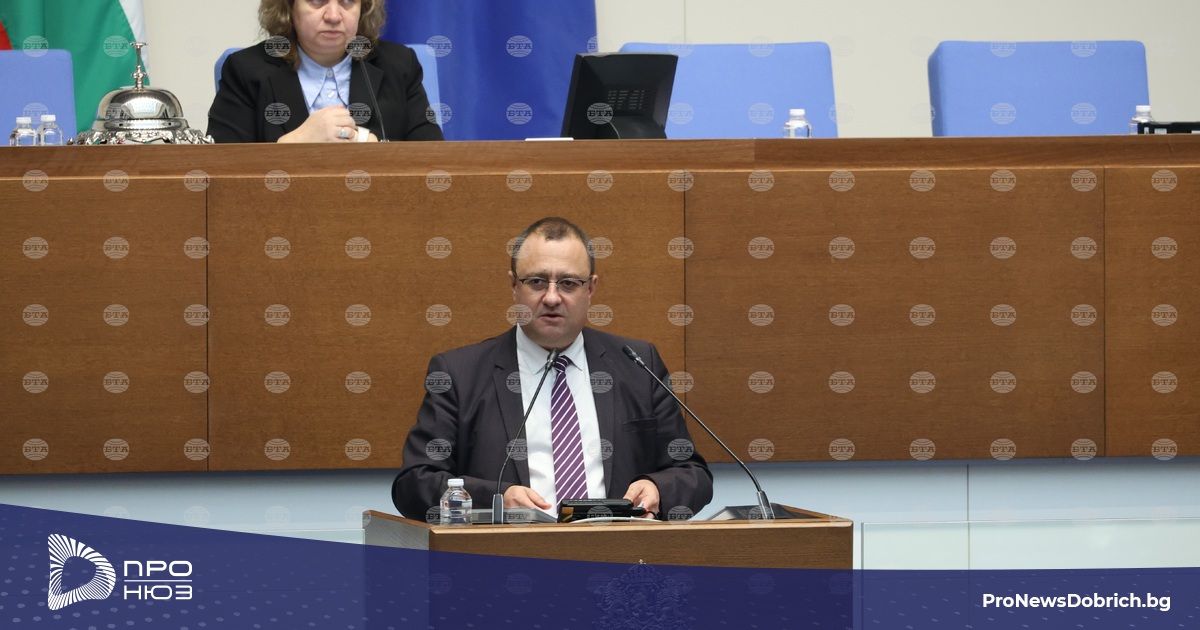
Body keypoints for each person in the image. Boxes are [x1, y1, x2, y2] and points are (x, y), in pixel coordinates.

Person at [392, 217, 713, 521]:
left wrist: (658, 489)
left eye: (569, 283)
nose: (551, 297)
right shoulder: (459, 373)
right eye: (536, 281)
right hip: (505, 554)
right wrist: (496, 499)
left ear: (591, 289)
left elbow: (692, 474)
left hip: (619, 553)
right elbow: (414, 484)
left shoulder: (638, 363)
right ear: (513, 286)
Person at [207, 0, 443, 143]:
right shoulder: (245, 71)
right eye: (317, 1)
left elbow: (432, 161)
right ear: (289, 7)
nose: (333, 16)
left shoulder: (399, 65)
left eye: (348, 1)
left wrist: (372, 145)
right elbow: (222, 172)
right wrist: (294, 144)